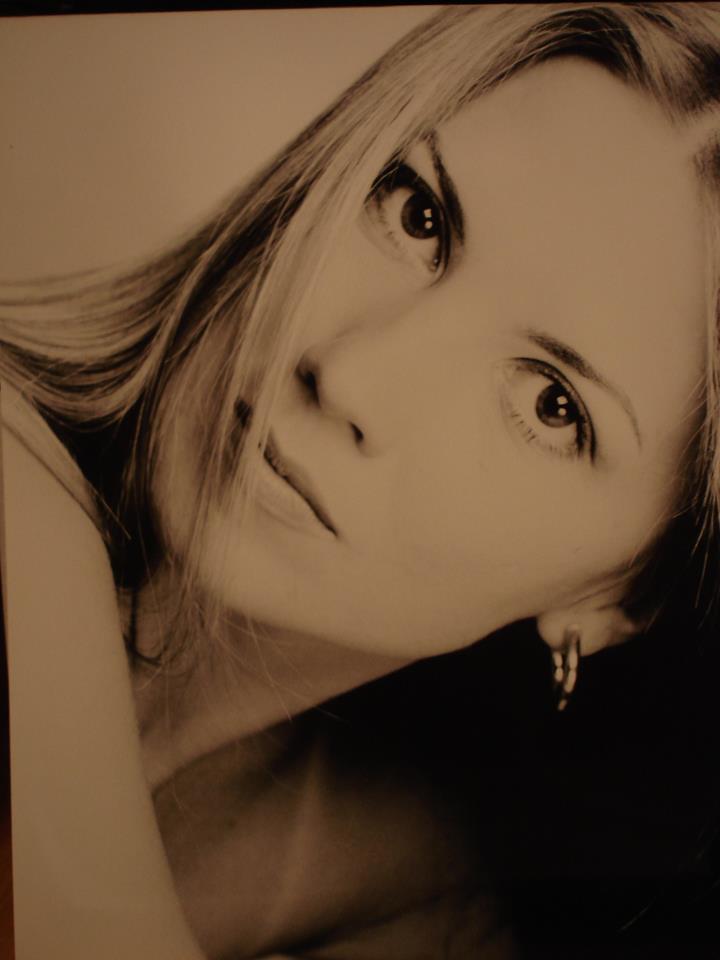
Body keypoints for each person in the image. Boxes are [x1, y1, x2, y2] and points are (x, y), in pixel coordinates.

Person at [3, 3, 720, 957]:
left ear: (623, 596)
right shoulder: (14, 481)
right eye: (418, 216)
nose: (351, 375)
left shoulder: (426, 892)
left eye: (551, 404)